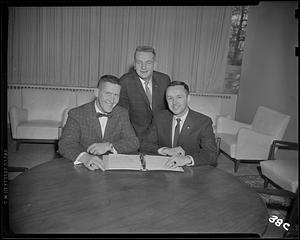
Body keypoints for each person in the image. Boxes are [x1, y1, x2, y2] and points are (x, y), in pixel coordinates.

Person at [58, 75, 139, 171]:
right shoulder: (77, 114)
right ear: (97, 92)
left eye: (116, 95)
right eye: (108, 93)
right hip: (84, 169)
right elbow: (65, 144)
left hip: (113, 170)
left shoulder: (122, 113)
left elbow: (134, 142)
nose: (112, 100)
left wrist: (109, 146)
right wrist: (85, 157)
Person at [141, 81, 218, 168]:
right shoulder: (159, 118)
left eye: (179, 97)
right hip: (164, 168)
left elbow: (211, 154)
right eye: (170, 98)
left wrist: (186, 159)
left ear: (188, 98)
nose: (174, 103)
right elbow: (145, 145)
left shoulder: (203, 122)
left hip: (190, 171)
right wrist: (166, 150)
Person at [118, 45, 171, 142]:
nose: (143, 67)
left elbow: (169, 113)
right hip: (136, 138)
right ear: (134, 64)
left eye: (148, 62)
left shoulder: (164, 80)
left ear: (155, 65)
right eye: (139, 62)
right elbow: (123, 118)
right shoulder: (125, 82)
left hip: (161, 138)